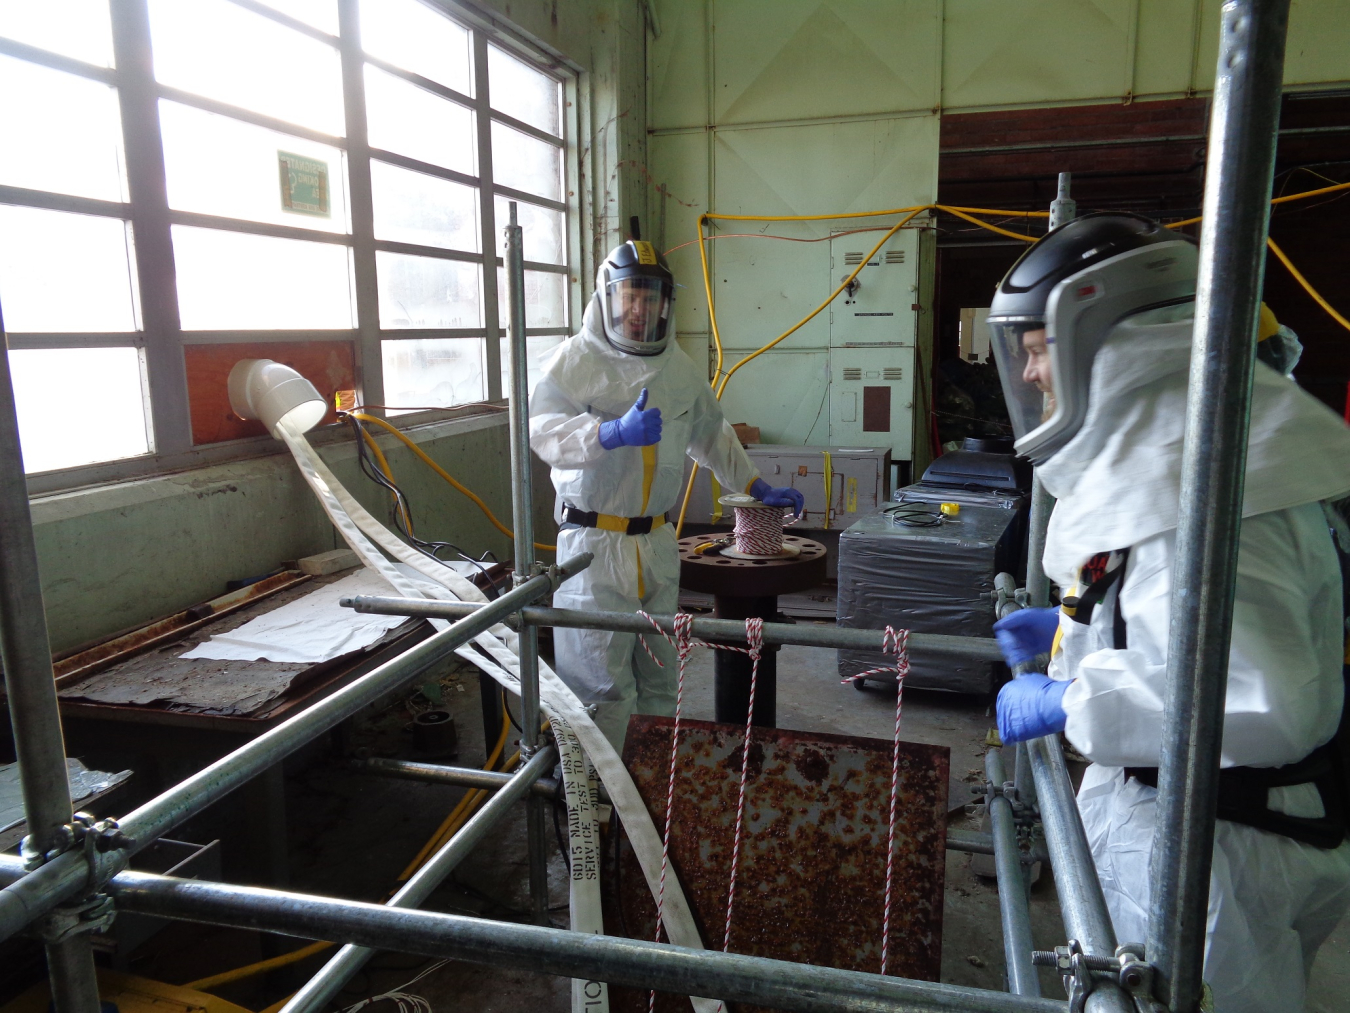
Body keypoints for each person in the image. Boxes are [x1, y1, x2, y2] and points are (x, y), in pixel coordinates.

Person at [986, 212, 1350, 1012]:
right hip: (1189, 816)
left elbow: (1258, 697)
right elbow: (1169, 622)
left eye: (1039, 350)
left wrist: (1074, 699)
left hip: (1217, 854)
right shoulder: (1181, 453)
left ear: (1105, 337)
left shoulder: (1221, 484)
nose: (1035, 376)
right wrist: (1076, 635)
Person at [529, 237, 803, 748]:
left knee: (660, 682)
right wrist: (607, 433)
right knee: (600, 687)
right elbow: (544, 434)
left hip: (656, 544)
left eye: (650, 297)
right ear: (606, 298)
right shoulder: (571, 364)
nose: (638, 309)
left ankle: (656, 792)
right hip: (593, 547)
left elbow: (712, 433)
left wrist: (754, 485)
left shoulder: (677, 369)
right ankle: (606, 810)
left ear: (665, 303)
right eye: (628, 295)